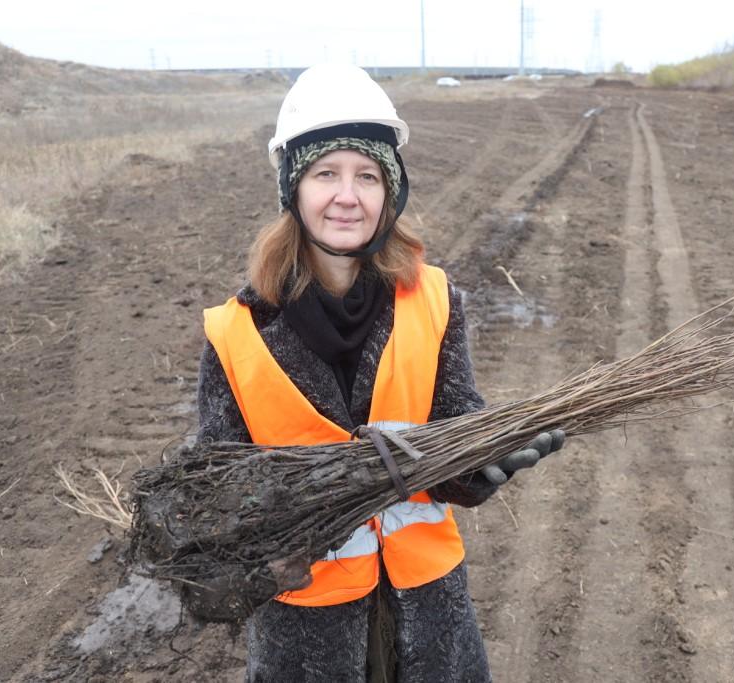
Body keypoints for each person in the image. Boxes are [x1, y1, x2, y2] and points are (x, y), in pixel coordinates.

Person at [196, 64, 565, 683]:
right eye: (325, 174)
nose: (348, 195)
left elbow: (455, 427)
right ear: (293, 186)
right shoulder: (236, 334)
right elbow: (215, 493)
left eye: (367, 175)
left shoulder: (435, 299)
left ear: (390, 191)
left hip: (428, 613)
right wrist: (265, 552)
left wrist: (481, 460)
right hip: (309, 634)